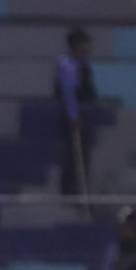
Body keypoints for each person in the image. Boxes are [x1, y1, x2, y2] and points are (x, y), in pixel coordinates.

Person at [54, 28, 97, 199]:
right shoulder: (69, 66)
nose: (88, 48)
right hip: (74, 117)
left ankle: (79, 191)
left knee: (83, 157)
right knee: (74, 157)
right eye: (84, 45)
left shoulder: (83, 65)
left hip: (85, 114)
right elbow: (69, 94)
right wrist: (74, 116)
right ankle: (70, 193)